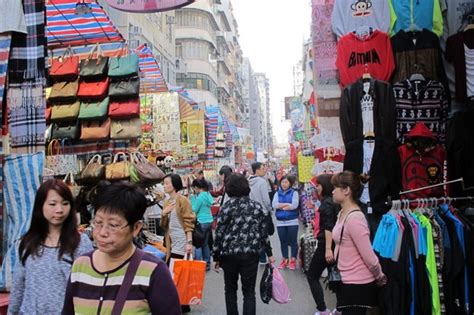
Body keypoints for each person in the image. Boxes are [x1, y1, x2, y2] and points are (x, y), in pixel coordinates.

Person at [62, 181, 181, 315]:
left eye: (113, 225)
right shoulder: (80, 266)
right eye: (98, 223)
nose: (102, 232)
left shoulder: (154, 272)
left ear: (136, 228)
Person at [8, 180, 93, 314]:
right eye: (52, 204)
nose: (59, 210)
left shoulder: (80, 243)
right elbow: (19, 287)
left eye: (65, 204)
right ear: (40, 206)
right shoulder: (27, 243)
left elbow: (88, 289)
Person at [213, 173, 275, 315]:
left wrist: (216, 256)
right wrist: (269, 254)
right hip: (250, 254)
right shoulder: (256, 207)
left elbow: (219, 234)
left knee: (230, 290)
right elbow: (263, 233)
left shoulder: (226, 208)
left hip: (229, 255)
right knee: (248, 292)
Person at [331, 171, 387, 314]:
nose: (332, 191)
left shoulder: (355, 218)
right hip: (347, 280)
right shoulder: (342, 213)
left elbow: (369, 255)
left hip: (357, 283)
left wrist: (379, 276)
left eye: (335, 187)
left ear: (346, 190)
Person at [160, 174, 196, 313]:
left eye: (167, 183)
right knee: (177, 273)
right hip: (171, 242)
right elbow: (164, 226)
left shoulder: (183, 201)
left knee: (176, 273)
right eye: (164, 183)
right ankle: (182, 304)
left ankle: (180, 304)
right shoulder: (167, 202)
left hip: (182, 241)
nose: (164, 185)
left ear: (174, 185)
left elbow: (189, 222)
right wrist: (164, 213)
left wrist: (189, 242)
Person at [307, 174, 340, 315]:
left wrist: (327, 249)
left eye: (319, 185)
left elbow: (328, 227)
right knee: (337, 275)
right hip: (338, 244)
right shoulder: (337, 201)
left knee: (312, 275)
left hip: (326, 244)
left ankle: (322, 310)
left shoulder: (327, 203)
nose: (317, 188)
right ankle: (339, 309)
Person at [272, 175, 300, 270]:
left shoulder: (294, 192)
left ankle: (293, 260)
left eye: (286, 182)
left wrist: (282, 206)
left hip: (292, 221)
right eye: (283, 182)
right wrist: (287, 205)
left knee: (293, 241)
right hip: (280, 221)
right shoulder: (277, 193)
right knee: (283, 241)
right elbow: (274, 204)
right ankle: (285, 259)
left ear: (290, 183)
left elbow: (295, 205)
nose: (284, 184)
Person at [249, 162, 273, 264]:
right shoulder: (262, 182)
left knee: (254, 234)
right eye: (263, 168)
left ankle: (258, 257)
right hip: (262, 212)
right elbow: (266, 200)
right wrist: (269, 209)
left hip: (251, 212)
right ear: (257, 170)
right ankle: (263, 258)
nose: (264, 170)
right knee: (263, 235)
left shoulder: (248, 181)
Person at [190, 178, 214, 271]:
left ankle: (198, 264)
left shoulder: (200, 197)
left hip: (202, 222)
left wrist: (192, 199)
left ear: (196, 187)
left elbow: (194, 210)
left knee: (198, 244)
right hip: (209, 221)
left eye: (194, 188)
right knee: (205, 244)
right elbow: (211, 203)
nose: (194, 190)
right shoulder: (207, 194)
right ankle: (207, 264)